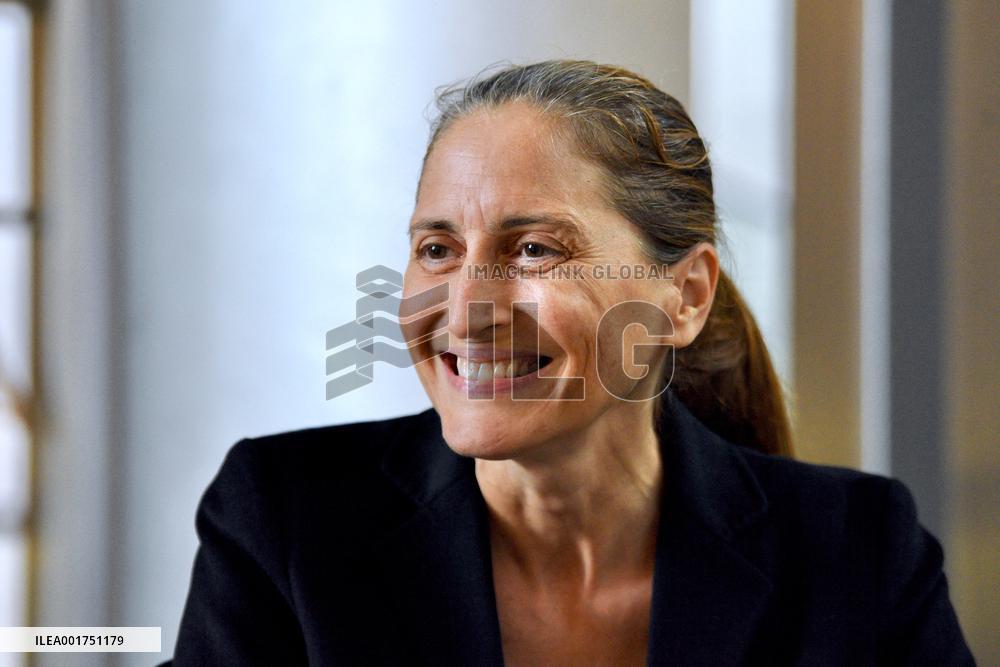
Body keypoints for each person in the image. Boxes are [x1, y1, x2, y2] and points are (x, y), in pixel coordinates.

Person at [163, 60, 974, 665]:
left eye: (536, 248)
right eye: (437, 248)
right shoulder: (284, 521)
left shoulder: (860, 552)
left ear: (684, 297)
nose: (468, 308)